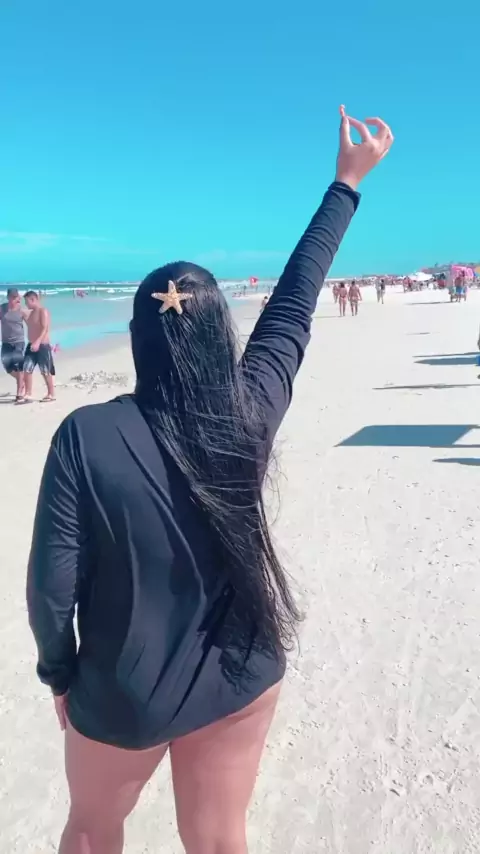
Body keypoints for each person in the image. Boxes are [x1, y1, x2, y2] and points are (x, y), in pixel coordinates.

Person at [27, 106, 393, 854]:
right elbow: (293, 305)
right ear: (220, 333)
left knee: (92, 830)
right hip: (241, 673)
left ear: (137, 339)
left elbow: (50, 587)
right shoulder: (249, 412)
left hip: (122, 692)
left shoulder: (84, 436)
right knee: (220, 838)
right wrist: (345, 186)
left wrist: (59, 674)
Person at [20, 291, 56, 402]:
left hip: (42, 345)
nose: (26, 304)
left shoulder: (42, 311)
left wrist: (37, 342)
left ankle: (51, 394)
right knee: (26, 368)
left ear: (33, 300)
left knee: (45, 370)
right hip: (31, 345)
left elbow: (45, 328)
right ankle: (28, 393)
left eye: (27, 302)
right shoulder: (30, 314)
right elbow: (29, 324)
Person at [0, 287, 28, 402]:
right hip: (6, 342)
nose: (14, 299)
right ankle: (22, 380)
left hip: (18, 342)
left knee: (18, 366)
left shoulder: (22, 310)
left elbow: (31, 324)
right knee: (7, 366)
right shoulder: (2, 309)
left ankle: (19, 393)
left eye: (16, 297)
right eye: (12, 297)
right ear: (8, 297)